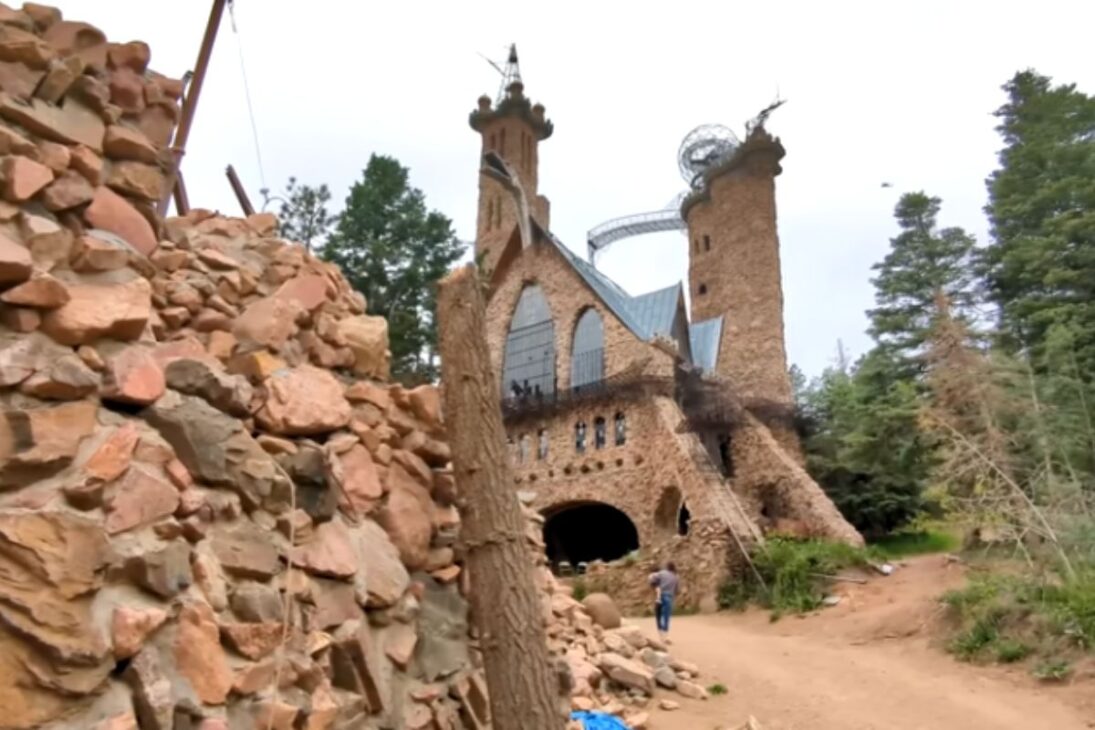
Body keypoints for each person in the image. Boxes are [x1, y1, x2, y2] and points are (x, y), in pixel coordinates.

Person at [648, 562, 679, 642]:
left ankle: (661, 634)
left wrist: (653, 585)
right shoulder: (675, 577)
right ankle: (666, 635)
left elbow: (652, 577)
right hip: (669, 596)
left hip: (660, 596)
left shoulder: (662, 573)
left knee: (658, 615)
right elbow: (676, 590)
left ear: (667, 567)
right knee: (666, 616)